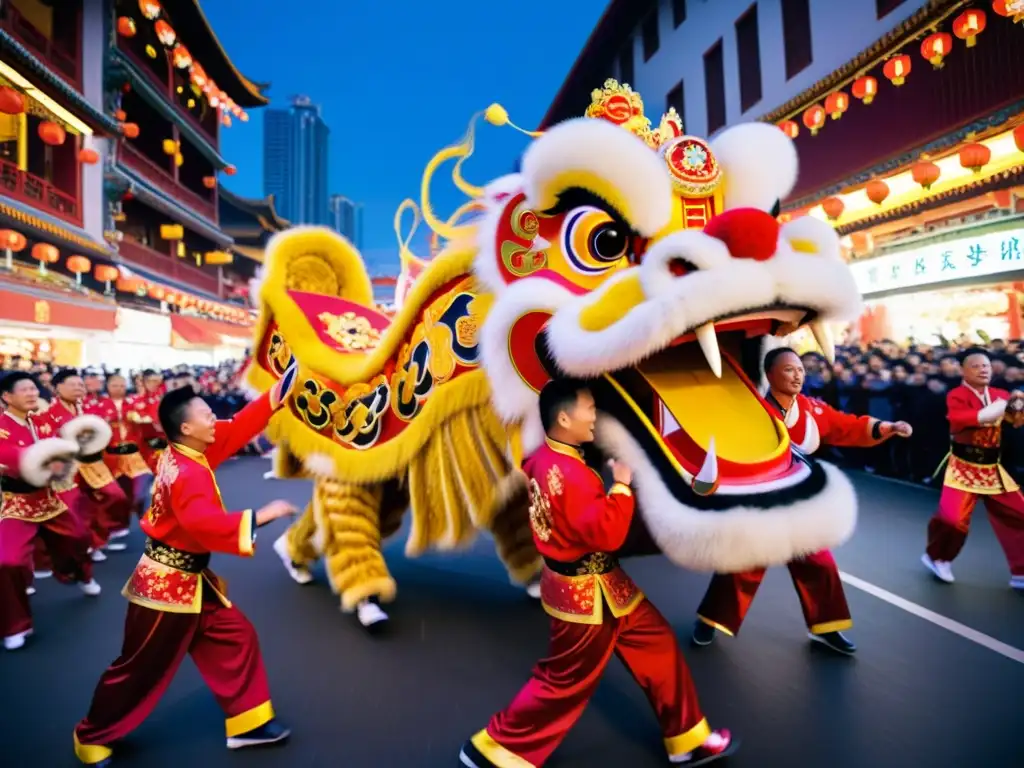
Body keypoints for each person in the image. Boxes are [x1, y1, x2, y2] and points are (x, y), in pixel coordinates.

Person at [460, 378, 735, 768]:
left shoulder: (543, 458)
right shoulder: (569, 472)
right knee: (564, 682)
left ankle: (687, 738)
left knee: (658, 645)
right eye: (589, 409)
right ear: (563, 416)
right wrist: (621, 486)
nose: (594, 416)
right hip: (586, 595)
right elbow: (607, 533)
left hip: (604, 585)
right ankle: (494, 750)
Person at [73, 379, 298, 766]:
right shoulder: (188, 471)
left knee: (235, 636)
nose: (215, 419)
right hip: (164, 586)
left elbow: (240, 424)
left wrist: (283, 388)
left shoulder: (189, 451)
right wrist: (263, 514)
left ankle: (248, 723)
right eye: (207, 415)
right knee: (139, 665)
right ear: (186, 428)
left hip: (192, 580)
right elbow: (202, 523)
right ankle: (90, 736)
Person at [691, 347, 912, 655]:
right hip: (761, 501)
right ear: (770, 375)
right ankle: (711, 619)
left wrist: (887, 427)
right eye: (788, 370)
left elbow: (847, 426)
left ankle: (827, 627)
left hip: (798, 501)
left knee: (819, 562)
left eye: (800, 369)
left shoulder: (812, 410)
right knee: (743, 565)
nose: (797, 375)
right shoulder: (750, 411)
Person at [0, 371, 100, 651]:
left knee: (80, 539)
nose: (33, 394)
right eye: (25, 390)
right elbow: (9, 457)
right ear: (7, 397)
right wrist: (36, 460)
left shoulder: (41, 422)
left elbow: (63, 450)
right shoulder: (2, 427)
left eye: (34, 389)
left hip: (50, 500)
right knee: (8, 562)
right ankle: (16, 625)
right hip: (16, 504)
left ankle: (80, 575)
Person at [922, 347, 1024, 589]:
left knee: (1020, 514)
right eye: (976, 366)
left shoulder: (999, 392)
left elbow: (1015, 422)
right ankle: (937, 556)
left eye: (986, 365)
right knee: (952, 519)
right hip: (963, 467)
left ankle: (1020, 571)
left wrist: (1018, 406)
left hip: (992, 468)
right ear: (963, 371)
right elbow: (964, 420)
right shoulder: (956, 395)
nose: (983, 369)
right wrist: (999, 408)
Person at [39, 369, 128, 559]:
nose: (78, 388)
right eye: (73, 385)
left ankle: (98, 537)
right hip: (67, 469)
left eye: (81, 385)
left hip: (93, 464)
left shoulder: (88, 407)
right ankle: (86, 546)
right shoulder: (47, 413)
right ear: (57, 388)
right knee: (75, 510)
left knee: (115, 497)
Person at [96, 373, 152, 535]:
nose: (119, 389)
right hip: (111, 455)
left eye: (122, 385)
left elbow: (148, 419)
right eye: (115, 385)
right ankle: (119, 525)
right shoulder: (100, 405)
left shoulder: (134, 402)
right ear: (108, 387)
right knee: (119, 494)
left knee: (139, 492)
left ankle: (145, 517)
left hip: (134, 454)